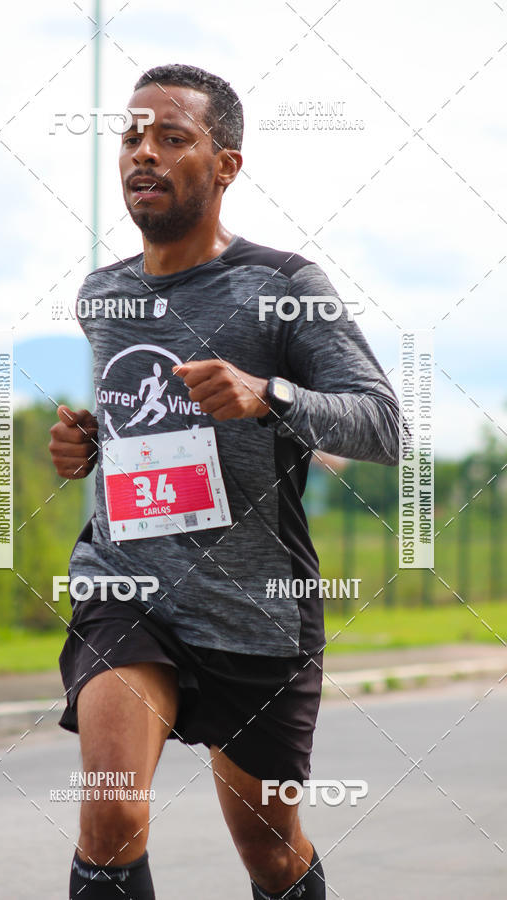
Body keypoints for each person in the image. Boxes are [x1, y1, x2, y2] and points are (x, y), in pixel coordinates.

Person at [49, 63, 400, 900]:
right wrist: (89, 446)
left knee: (270, 854)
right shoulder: (104, 294)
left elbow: (383, 424)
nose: (143, 154)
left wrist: (269, 395)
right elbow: (144, 427)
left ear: (226, 164)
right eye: (132, 137)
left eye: (172, 138)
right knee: (110, 816)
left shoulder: (283, 286)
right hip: (126, 585)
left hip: (255, 611)